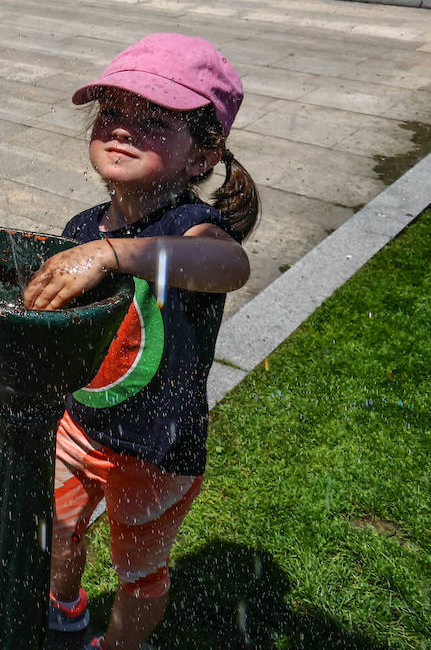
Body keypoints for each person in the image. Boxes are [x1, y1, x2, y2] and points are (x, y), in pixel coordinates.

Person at [22, 33, 258, 650]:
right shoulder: (82, 228)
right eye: (111, 113)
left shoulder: (191, 229)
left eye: (153, 120)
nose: (122, 129)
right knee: (60, 529)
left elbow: (229, 265)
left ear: (203, 156)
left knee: (138, 573)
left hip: (157, 447)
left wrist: (114, 254)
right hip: (79, 422)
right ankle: (64, 612)